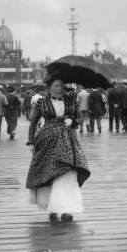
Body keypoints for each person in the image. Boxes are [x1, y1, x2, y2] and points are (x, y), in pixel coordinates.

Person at [25, 73, 91, 223]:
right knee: (49, 174)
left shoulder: (71, 100)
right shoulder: (41, 102)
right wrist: (30, 142)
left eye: (61, 85)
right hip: (47, 141)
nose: (59, 88)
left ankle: (66, 208)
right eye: (56, 85)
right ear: (49, 88)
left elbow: (80, 118)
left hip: (68, 140)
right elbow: (33, 123)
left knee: (68, 172)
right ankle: (52, 207)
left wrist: (72, 121)